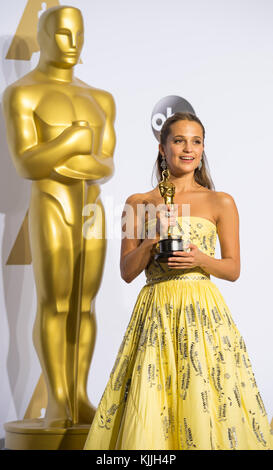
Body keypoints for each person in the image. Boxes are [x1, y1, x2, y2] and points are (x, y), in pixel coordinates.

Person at [84, 112, 273, 450]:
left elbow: (232, 269)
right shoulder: (138, 203)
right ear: (162, 147)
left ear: (203, 148)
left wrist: (200, 259)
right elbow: (127, 272)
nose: (189, 149)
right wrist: (152, 238)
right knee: (152, 397)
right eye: (179, 140)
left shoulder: (221, 202)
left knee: (203, 396)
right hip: (155, 310)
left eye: (196, 141)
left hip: (202, 313)